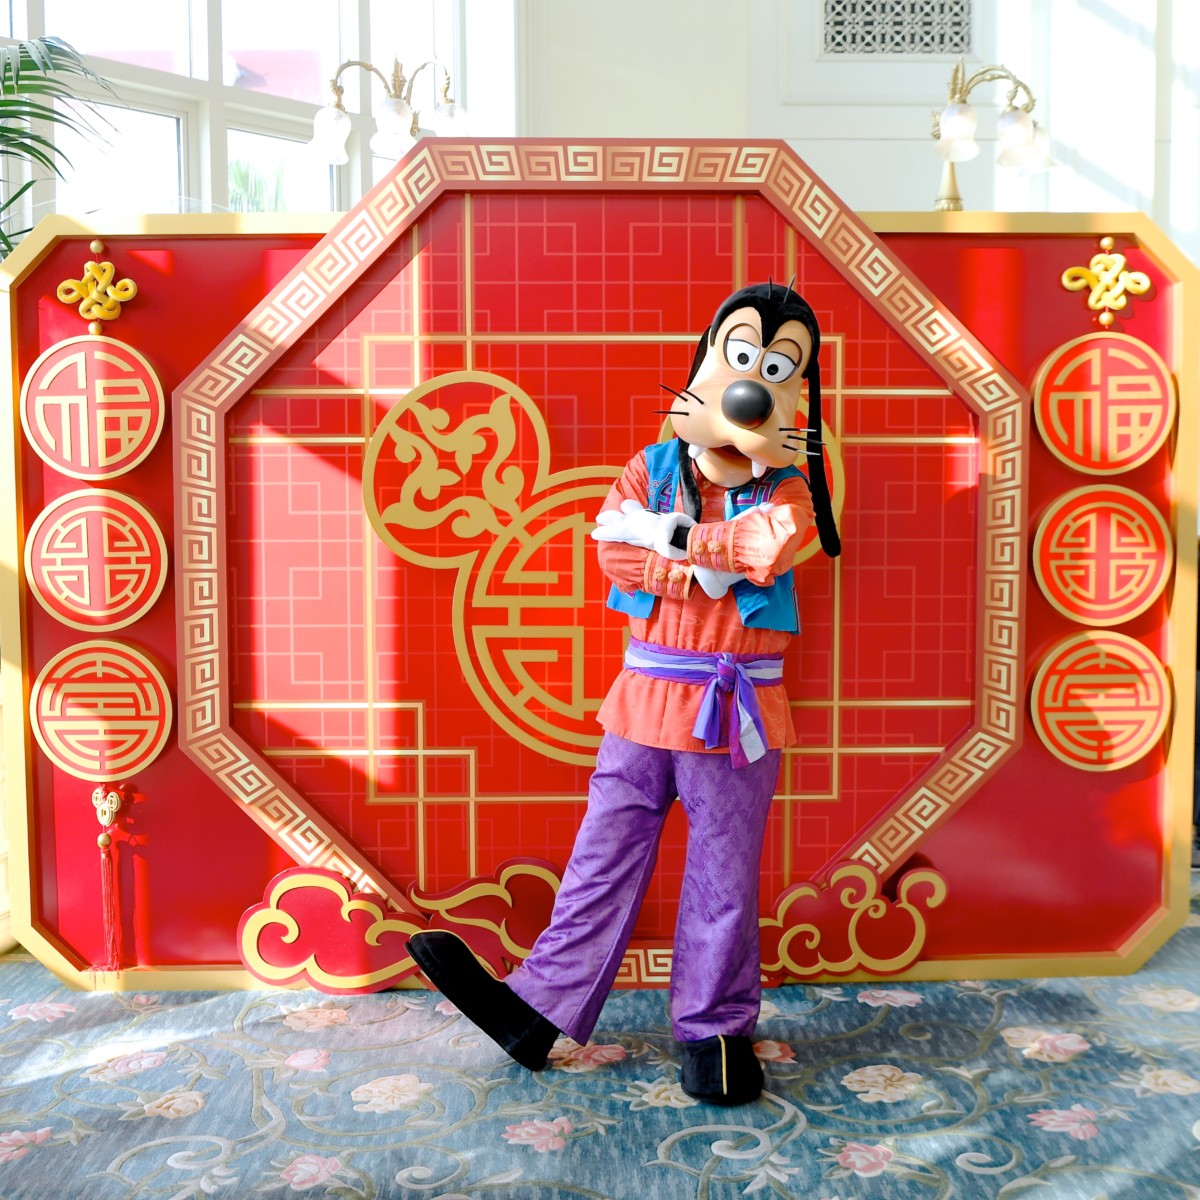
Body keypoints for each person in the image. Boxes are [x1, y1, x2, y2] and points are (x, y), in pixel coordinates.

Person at [407, 282, 839, 1105]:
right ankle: (537, 1010)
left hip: (734, 711)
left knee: (723, 874)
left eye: (779, 367)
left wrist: (669, 539)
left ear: (797, 391)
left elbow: (763, 551)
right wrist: (699, 562)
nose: (752, 385)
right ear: (709, 361)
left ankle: (714, 1030)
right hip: (643, 698)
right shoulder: (649, 466)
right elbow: (612, 552)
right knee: (602, 853)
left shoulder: (789, 492)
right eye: (741, 356)